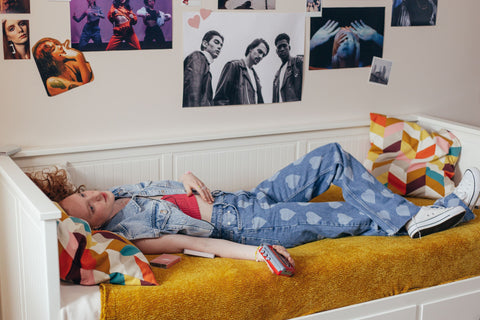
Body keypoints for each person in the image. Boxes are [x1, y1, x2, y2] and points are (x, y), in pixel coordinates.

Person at [28, 143, 480, 267]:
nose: (93, 197)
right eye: (87, 208)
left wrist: (185, 176)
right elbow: (190, 244)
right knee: (348, 216)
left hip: (250, 196)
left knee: (334, 156)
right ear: (94, 227)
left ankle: (416, 215)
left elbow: (176, 186)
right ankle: (424, 218)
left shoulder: (123, 191)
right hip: (249, 225)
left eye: (84, 193)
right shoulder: (133, 233)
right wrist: (256, 252)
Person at [213, 38, 269, 106]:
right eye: (259, 51)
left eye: (263, 55)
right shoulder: (234, 66)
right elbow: (220, 99)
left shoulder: (256, 78)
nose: (261, 56)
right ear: (251, 49)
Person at [183, 30, 224, 107]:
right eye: (216, 42)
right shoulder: (197, 58)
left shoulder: (204, 63)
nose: (219, 47)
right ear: (205, 43)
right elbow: (192, 93)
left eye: (221, 45)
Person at [272, 33, 303, 103]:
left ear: (289, 47)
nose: (282, 49)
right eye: (279, 47)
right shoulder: (276, 76)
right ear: (277, 52)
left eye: (284, 46)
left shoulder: (298, 62)